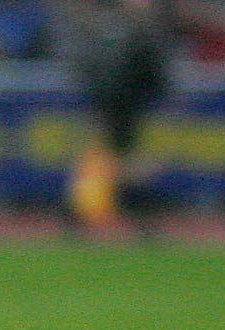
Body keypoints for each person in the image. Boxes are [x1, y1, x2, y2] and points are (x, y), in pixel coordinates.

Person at [66, 0, 173, 231]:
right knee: (106, 160)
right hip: (108, 106)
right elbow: (92, 71)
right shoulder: (114, 34)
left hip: (126, 108)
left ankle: (140, 215)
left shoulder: (139, 38)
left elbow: (154, 76)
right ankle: (87, 213)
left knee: (121, 162)